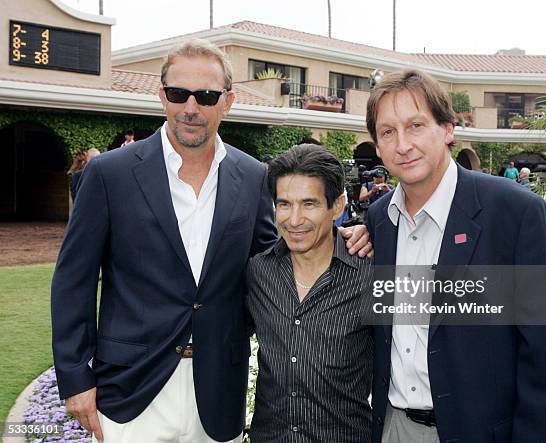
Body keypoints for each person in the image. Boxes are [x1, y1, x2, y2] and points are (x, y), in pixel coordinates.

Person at [51, 39, 371, 443]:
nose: (190, 107)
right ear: (162, 95)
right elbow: (72, 281)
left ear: (228, 100)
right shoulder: (108, 175)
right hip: (132, 391)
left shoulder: (254, 176)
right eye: (178, 93)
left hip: (219, 391)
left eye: (205, 95)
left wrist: (364, 232)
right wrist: (76, 378)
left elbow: (281, 254)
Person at [364, 69, 546, 443]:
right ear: (378, 147)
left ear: (447, 129)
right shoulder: (380, 219)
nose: (403, 144)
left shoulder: (515, 213)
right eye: (388, 132)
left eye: (415, 125)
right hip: (393, 428)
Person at [246, 144, 373, 442]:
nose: (293, 219)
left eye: (309, 204)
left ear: (338, 206)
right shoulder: (258, 273)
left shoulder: (371, 274)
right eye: (284, 204)